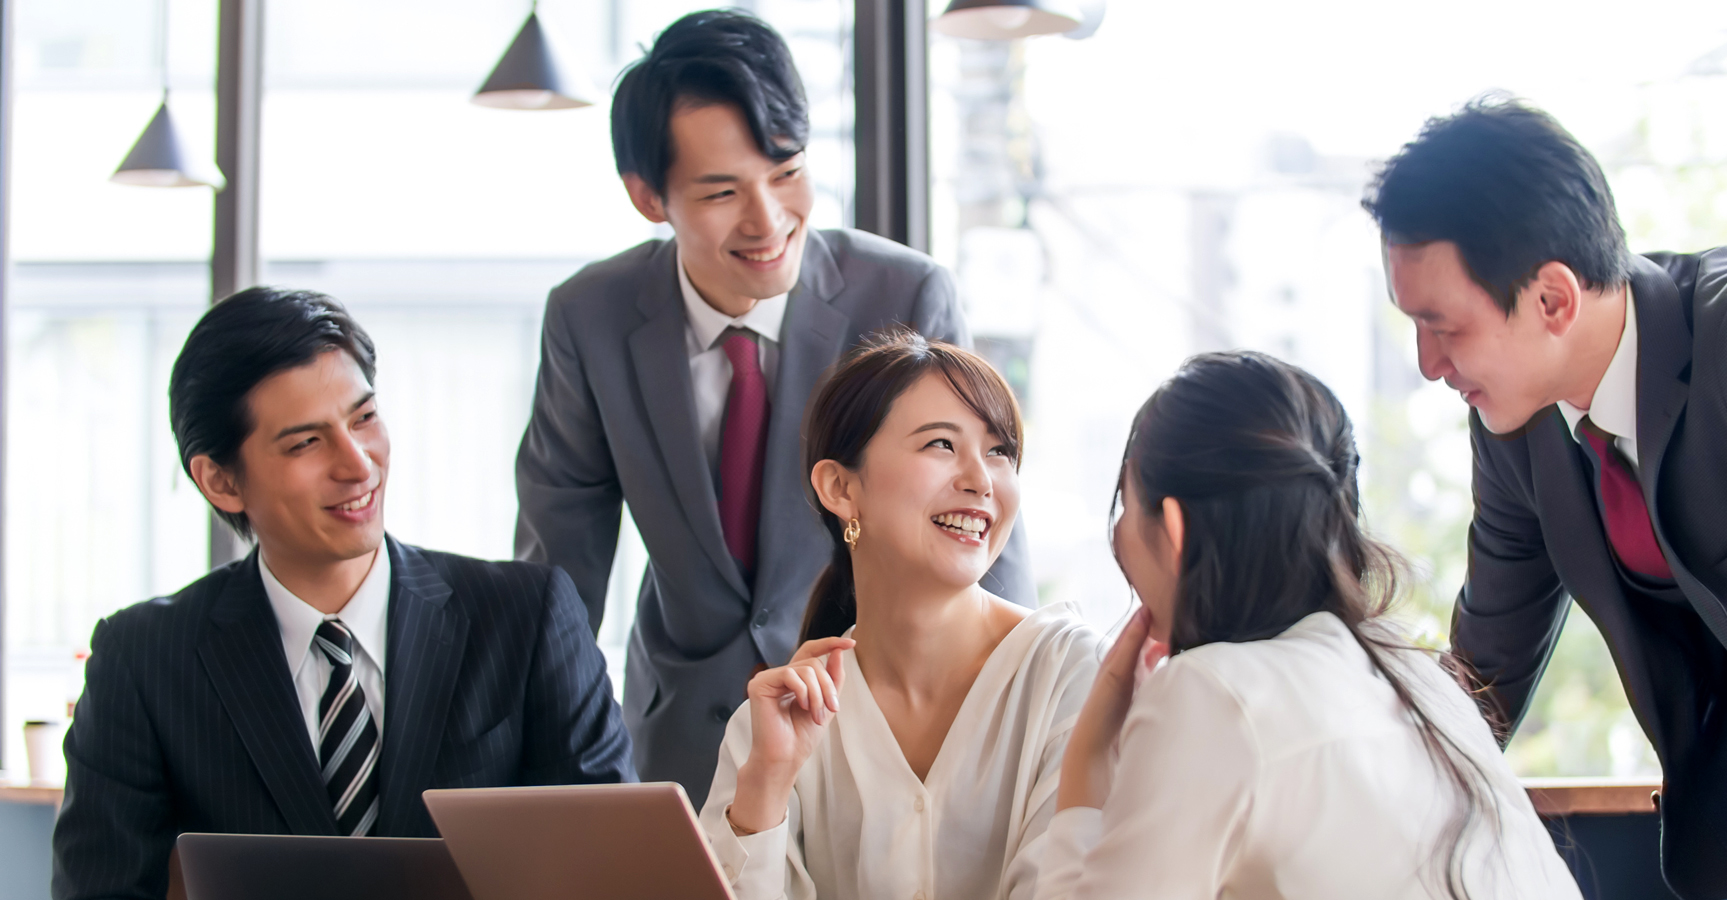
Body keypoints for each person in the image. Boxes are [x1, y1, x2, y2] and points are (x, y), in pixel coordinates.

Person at [513, 9, 1033, 805]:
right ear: (648, 196)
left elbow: (983, 520)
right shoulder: (592, 317)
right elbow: (558, 572)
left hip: (883, 729)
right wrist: (552, 781)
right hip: (683, 746)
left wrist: (1014, 718)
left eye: (787, 172)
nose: (768, 221)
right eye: (722, 191)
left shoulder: (903, 295)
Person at [1368, 96, 1727, 897]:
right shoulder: (1513, 430)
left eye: (1442, 327)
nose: (1426, 363)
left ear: (1552, 298)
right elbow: (1489, 664)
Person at [53, 288, 634, 900]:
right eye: (307, 442)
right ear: (221, 481)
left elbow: (616, 870)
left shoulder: (527, 616)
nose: (359, 464)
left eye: (363, 418)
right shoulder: (142, 659)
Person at [1034, 351, 1580, 900]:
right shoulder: (1418, 677)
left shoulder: (1210, 692)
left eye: (1124, 507)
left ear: (1175, 530)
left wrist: (1085, 767)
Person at [697, 328, 1098, 900]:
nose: (980, 481)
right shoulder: (771, 726)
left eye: (999, 452)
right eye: (941, 445)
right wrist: (766, 781)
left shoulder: (1070, 674)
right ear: (840, 487)